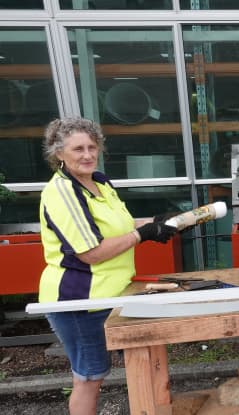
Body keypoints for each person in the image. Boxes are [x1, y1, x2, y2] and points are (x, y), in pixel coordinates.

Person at [39, 117, 177, 415]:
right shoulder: (62, 191)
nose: (87, 155)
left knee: (109, 370)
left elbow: (121, 227)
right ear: (59, 153)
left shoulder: (99, 181)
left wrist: (156, 223)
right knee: (89, 377)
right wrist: (143, 234)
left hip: (111, 295)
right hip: (78, 300)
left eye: (92, 147)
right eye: (78, 149)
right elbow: (90, 252)